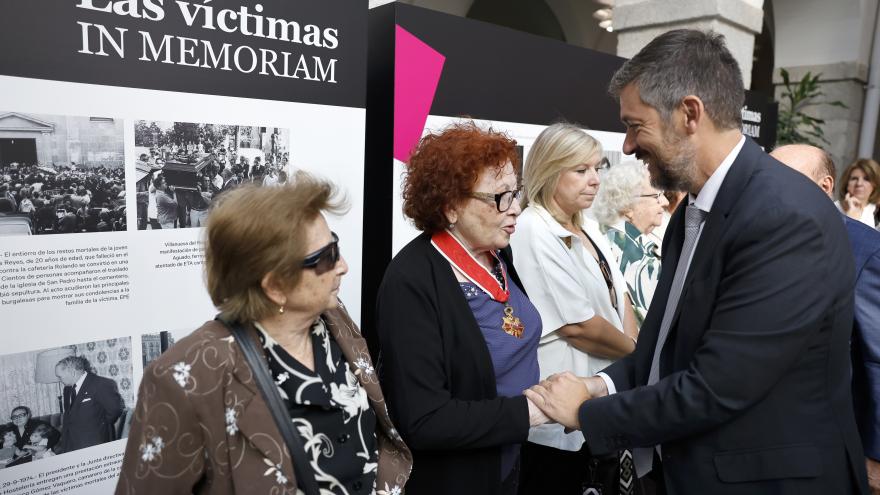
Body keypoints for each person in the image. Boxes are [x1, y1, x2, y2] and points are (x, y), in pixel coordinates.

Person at [525, 29, 869, 494]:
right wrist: (598, 386)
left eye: (635, 125)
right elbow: (663, 348)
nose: (626, 146)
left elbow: (717, 386)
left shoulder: (784, 217)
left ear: (689, 113)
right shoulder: (695, 208)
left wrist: (586, 413)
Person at [116, 175, 411, 495]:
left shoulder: (332, 317)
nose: (343, 266)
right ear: (275, 286)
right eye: (326, 257)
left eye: (335, 245)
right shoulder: (183, 379)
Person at [375, 122, 545, 495]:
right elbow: (425, 419)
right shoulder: (412, 281)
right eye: (500, 197)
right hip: (455, 479)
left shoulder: (498, 253)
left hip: (507, 462)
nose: (515, 208)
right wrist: (536, 410)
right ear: (451, 206)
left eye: (515, 193)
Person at [510, 122, 639, 494]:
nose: (595, 179)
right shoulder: (533, 229)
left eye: (597, 168)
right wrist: (638, 358)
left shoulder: (590, 227)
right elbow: (578, 326)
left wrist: (630, 363)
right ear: (550, 173)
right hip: (557, 418)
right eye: (581, 170)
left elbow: (621, 296)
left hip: (596, 404)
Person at [770, 144, 880, 495]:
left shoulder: (863, 249)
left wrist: (875, 455)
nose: (771, 190)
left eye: (787, 180)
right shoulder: (755, 241)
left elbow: (877, 358)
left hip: (828, 453)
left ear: (825, 185)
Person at [590, 161, 667, 325]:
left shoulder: (607, 237)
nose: (665, 202)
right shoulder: (629, 251)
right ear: (627, 205)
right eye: (656, 196)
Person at [56, 356, 124, 453]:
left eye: (59, 376)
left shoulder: (101, 384)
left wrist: (99, 424)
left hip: (95, 444)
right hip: (72, 446)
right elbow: (68, 417)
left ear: (72, 373)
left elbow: (115, 409)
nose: (59, 380)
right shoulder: (67, 389)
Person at [838, 158, 880, 228]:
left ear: (875, 184)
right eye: (854, 178)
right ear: (847, 183)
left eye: (866, 179)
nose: (859, 183)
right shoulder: (833, 208)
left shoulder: (876, 214)